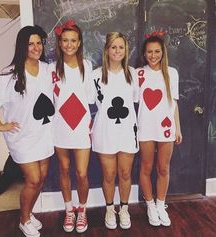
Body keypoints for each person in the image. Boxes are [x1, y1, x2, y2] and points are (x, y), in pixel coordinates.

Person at [0, 25, 55, 237]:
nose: (36, 47)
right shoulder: (9, 75)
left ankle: (29, 214)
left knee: (41, 178)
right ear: (22, 46)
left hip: (43, 133)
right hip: (21, 137)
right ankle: (24, 220)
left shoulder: (47, 69)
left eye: (39, 43)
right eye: (30, 43)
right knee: (32, 179)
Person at [88, 32, 139, 229]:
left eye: (121, 47)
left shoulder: (133, 74)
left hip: (127, 130)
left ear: (126, 50)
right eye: (113, 47)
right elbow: (90, 102)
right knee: (109, 175)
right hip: (104, 131)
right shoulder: (95, 75)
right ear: (107, 50)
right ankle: (110, 209)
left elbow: (135, 101)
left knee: (125, 173)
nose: (117, 51)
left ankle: (124, 209)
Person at [49, 20, 92, 233]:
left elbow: (91, 97)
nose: (69, 44)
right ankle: (69, 210)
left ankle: (82, 211)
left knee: (82, 173)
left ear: (79, 42)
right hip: (60, 127)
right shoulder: (51, 68)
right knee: (64, 169)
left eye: (73, 40)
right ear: (59, 42)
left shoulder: (87, 65)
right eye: (65, 40)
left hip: (82, 126)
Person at [136, 32, 182, 227]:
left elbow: (174, 102)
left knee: (163, 168)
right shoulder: (138, 73)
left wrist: (177, 128)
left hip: (166, 127)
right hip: (146, 126)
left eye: (157, 51)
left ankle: (161, 204)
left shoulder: (172, 72)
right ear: (144, 54)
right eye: (149, 52)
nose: (153, 56)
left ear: (163, 52)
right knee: (146, 167)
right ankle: (150, 204)